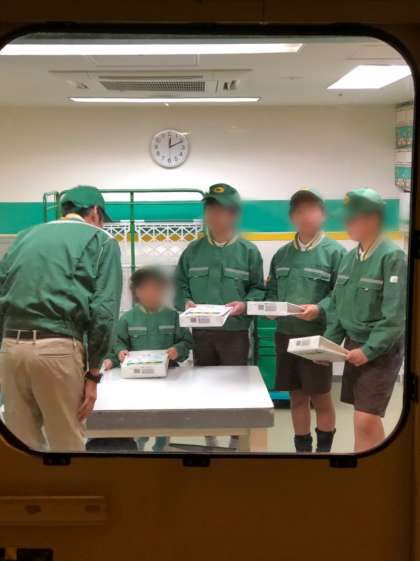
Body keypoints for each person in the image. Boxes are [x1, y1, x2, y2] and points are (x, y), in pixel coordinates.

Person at [0, 185, 122, 452]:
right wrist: (93, 374)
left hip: (10, 349)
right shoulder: (102, 241)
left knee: (20, 450)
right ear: (95, 212)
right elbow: (104, 312)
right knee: (67, 448)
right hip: (57, 351)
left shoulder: (24, 237)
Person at [174, 183, 265, 450]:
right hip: (202, 334)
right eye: (210, 209)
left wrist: (244, 305)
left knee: (235, 389)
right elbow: (179, 286)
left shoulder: (248, 252)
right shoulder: (193, 251)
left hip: (235, 334)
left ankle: (236, 439)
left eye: (220, 210)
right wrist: (185, 302)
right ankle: (210, 438)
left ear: (234, 214)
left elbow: (259, 289)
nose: (213, 215)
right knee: (205, 387)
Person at [324, 188, 406, 452]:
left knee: (365, 419)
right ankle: (375, 467)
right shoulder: (350, 258)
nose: (347, 223)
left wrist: (369, 351)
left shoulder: (392, 257)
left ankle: (367, 469)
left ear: (373, 219)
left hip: (380, 349)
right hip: (353, 346)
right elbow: (337, 307)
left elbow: (396, 316)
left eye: (353, 217)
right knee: (365, 418)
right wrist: (327, 346)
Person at [266, 188, 346, 453]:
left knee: (321, 397)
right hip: (286, 336)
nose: (305, 216)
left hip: (316, 338)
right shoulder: (281, 255)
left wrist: (320, 308)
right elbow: (272, 290)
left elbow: (341, 295)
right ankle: (302, 453)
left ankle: (323, 454)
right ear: (292, 217)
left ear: (322, 215)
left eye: (312, 210)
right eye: (299, 211)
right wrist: (271, 307)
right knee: (296, 397)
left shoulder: (335, 253)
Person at [103, 267, 192, 452]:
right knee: (140, 413)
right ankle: (140, 440)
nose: (151, 293)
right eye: (145, 288)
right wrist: (119, 353)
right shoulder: (127, 319)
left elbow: (186, 341)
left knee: (164, 413)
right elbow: (118, 343)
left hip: (167, 378)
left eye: (155, 288)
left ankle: (161, 443)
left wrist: (177, 350)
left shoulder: (173, 317)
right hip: (138, 379)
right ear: (137, 292)